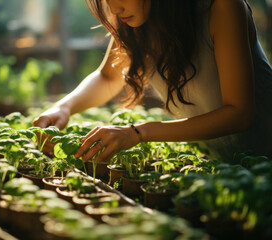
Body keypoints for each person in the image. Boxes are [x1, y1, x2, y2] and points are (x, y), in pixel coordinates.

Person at [33, 0, 272, 163]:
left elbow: (238, 113)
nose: (114, 8)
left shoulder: (221, 7)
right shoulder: (134, 19)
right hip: (219, 164)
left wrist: (138, 132)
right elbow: (108, 77)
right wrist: (63, 107)